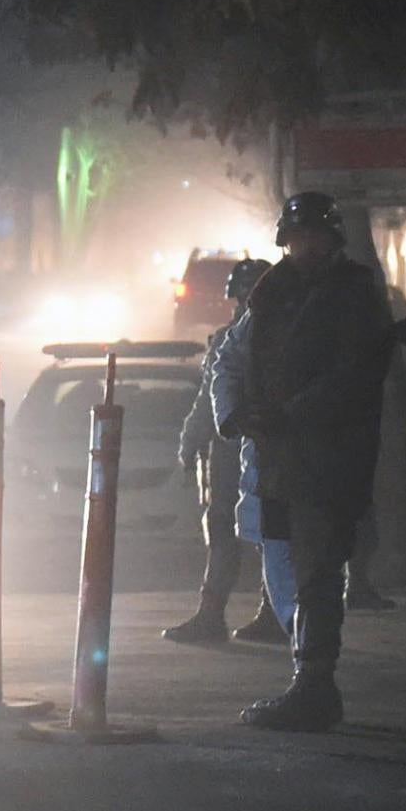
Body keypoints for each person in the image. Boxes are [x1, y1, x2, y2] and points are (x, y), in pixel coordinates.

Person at [219, 191, 394, 731]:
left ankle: (314, 685)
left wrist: (288, 415)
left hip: (329, 457)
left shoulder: (354, 292)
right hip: (278, 458)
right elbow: (232, 357)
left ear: (333, 238)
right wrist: (236, 414)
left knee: (318, 570)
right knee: (286, 565)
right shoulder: (273, 292)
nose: (306, 246)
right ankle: (307, 679)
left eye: (316, 236)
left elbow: (355, 374)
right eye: (298, 237)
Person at [164, 257, 273, 644]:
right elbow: (209, 397)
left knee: (265, 530)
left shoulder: (273, 338)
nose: (242, 304)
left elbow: (212, 396)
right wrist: (192, 439)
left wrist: (193, 439)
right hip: (232, 447)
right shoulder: (233, 338)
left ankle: (266, 614)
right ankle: (219, 614)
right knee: (228, 529)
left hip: (259, 446)